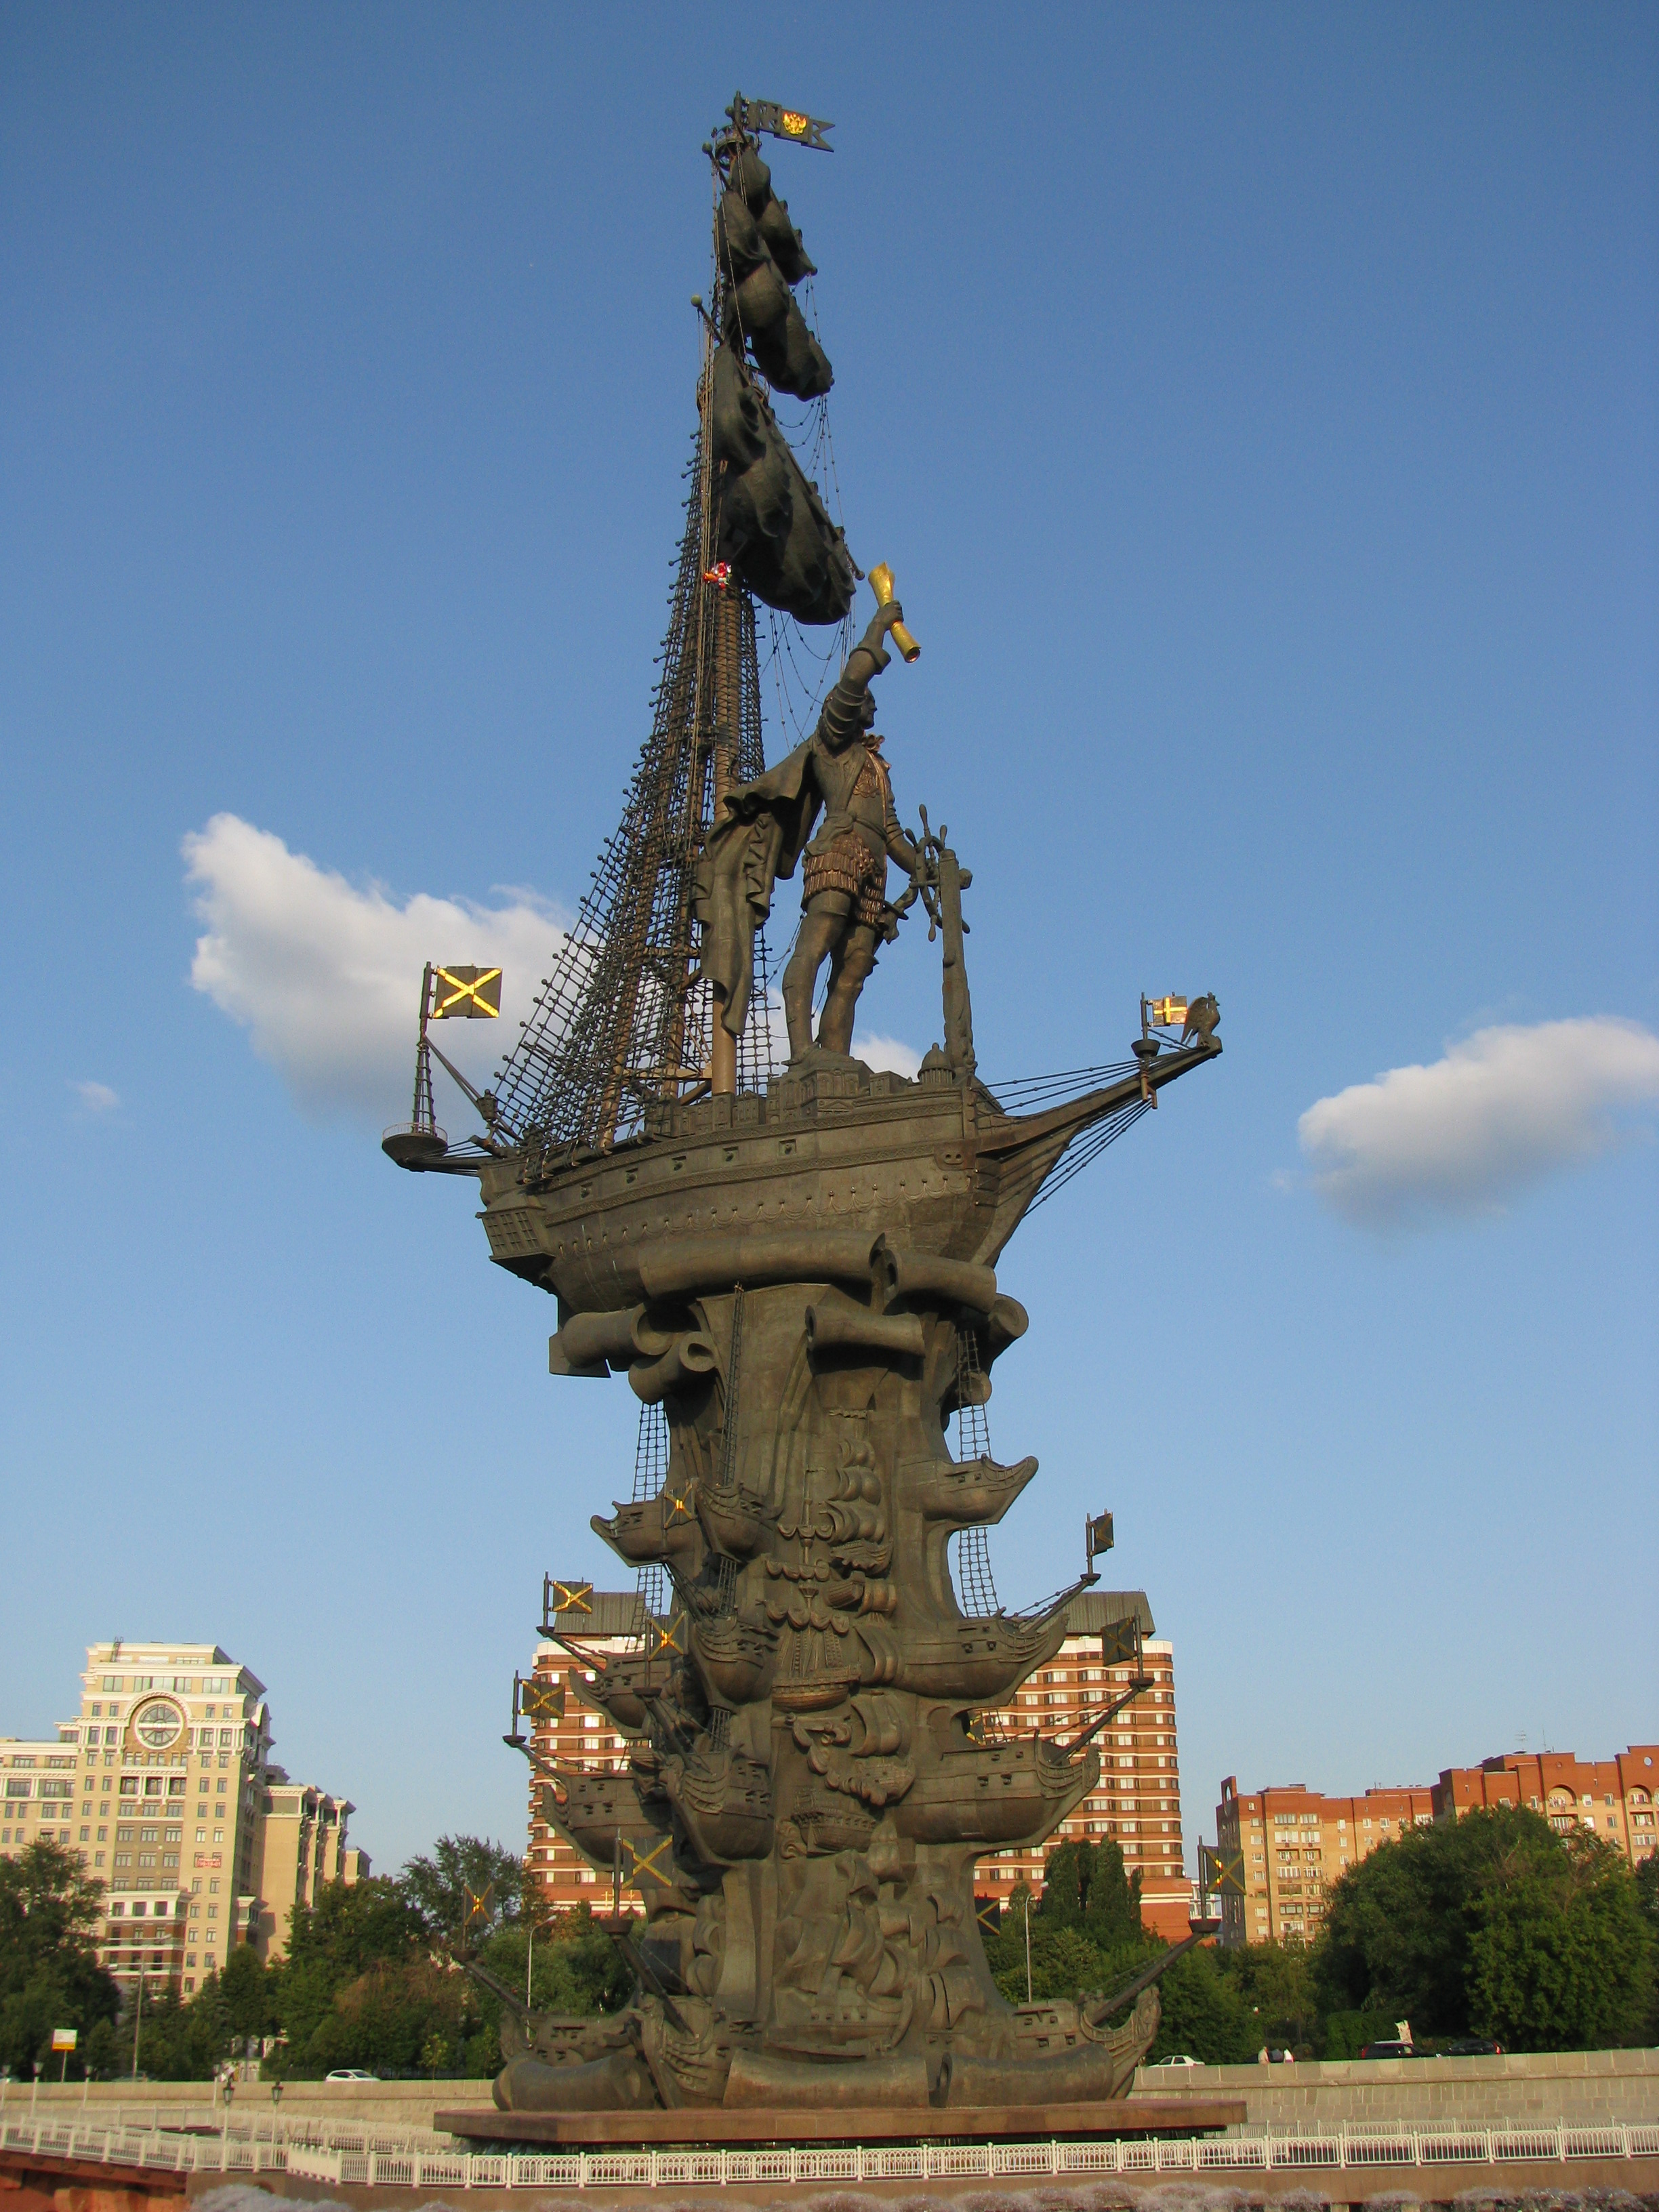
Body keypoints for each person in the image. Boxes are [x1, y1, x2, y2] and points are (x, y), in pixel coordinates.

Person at [695, 599, 924, 1063]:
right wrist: (879, 628)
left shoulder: (878, 766)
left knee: (855, 966)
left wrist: (927, 867)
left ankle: (833, 1058)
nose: (874, 705)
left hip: (874, 867)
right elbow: (856, 677)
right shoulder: (832, 740)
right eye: (867, 700)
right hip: (839, 852)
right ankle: (803, 1053)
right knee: (817, 942)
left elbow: (894, 832)